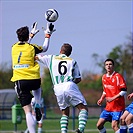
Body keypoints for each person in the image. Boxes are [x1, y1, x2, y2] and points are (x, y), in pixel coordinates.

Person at [11, 22, 55, 133]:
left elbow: (23, 44)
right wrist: (47, 35)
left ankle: (32, 132)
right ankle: (38, 102)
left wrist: (31, 35)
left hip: (20, 80)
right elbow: (44, 48)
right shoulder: (31, 48)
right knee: (37, 89)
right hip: (34, 78)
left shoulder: (13, 48)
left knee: (27, 111)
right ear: (26, 36)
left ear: (18, 36)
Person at [35, 43, 88, 133]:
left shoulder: (51, 58)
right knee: (83, 108)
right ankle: (81, 130)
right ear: (69, 53)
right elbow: (78, 79)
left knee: (65, 111)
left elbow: (36, 57)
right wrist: (71, 84)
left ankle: (63, 131)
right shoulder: (72, 61)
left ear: (60, 51)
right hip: (69, 84)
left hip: (57, 87)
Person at [96, 58, 127, 133]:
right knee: (99, 125)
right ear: (104, 67)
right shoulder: (104, 77)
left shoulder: (118, 76)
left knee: (114, 126)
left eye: (110, 64)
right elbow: (105, 90)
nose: (108, 66)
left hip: (117, 107)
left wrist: (112, 98)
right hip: (108, 107)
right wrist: (101, 99)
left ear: (113, 66)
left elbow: (124, 91)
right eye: (106, 64)